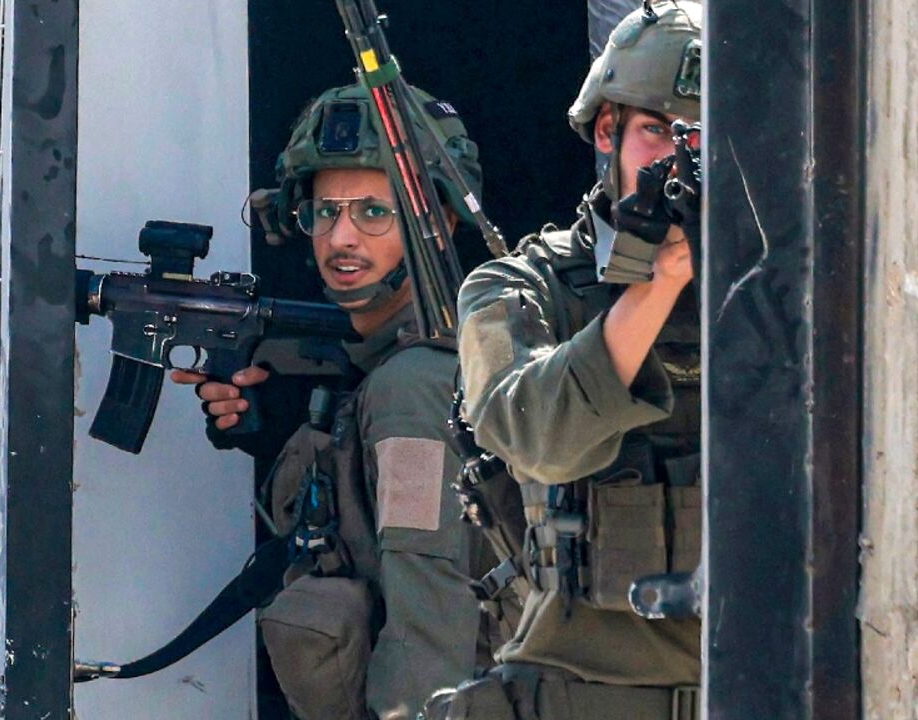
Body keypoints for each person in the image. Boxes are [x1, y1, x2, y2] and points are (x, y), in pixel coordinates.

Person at [173, 83, 514, 720]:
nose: (341, 237)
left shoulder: (413, 389)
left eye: (373, 213)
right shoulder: (385, 366)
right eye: (325, 213)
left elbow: (429, 619)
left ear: (438, 220)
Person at [424, 2, 704, 718]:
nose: (681, 159)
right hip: (577, 691)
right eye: (660, 132)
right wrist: (653, 289)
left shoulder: (783, 294)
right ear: (605, 131)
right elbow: (535, 439)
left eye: (704, 139)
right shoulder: (519, 288)